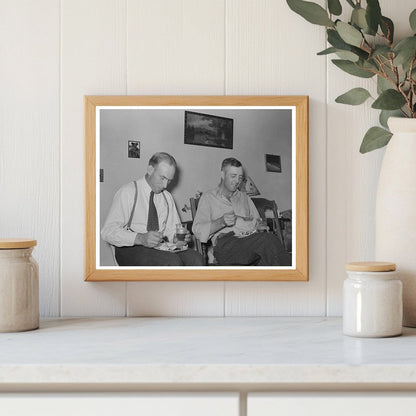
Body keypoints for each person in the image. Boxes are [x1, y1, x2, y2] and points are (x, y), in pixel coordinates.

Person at [101, 152, 204, 266]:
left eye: (169, 180)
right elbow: (107, 232)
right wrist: (140, 238)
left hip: (160, 248)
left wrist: (178, 238)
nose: (165, 185)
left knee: (196, 259)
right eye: (162, 178)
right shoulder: (128, 192)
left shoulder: (167, 197)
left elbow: (172, 231)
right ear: (150, 170)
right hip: (130, 248)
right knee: (171, 262)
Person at [192, 157, 291, 266]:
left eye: (240, 177)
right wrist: (221, 222)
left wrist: (260, 226)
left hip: (251, 241)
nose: (237, 181)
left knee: (268, 253)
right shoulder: (208, 198)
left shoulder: (244, 197)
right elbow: (197, 230)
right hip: (227, 245)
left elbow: (258, 221)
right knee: (268, 242)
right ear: (223, 175)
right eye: (233, 176)